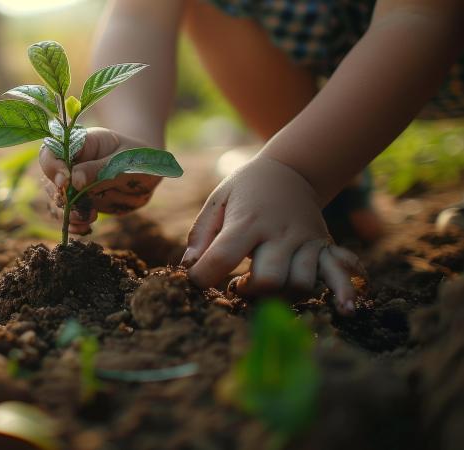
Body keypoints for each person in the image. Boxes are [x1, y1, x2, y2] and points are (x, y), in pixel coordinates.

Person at [39, 0, 464, 315]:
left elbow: (421, 17)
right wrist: (136, 140)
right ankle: (336, 193)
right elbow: (138, 15)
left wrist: (296, 172)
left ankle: (302, 177)